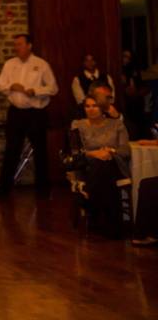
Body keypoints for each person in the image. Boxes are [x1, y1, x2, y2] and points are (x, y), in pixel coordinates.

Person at [0, 33, 58, 196]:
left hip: (35, 113)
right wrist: (11, 86)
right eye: (15, 45)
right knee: (11, 150)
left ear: (29, 46)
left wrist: (36, 91)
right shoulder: (10, 64)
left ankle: (43, 190)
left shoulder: (41, 64)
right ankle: (4, 190)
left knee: (40, 152)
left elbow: (53, 88)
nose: (17, 47)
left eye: (20, 44)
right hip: (16, 113)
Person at [72, 92, 130, 238]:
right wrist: (94, 153)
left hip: (115, 164)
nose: (90, 109)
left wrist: (110, 151)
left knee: (105, 165)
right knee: (100, 166)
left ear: (103, 107)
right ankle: (113, 226)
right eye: (87, 106)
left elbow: (126, 150)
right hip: (88, 166)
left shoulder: (116, 124)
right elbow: (75, 152)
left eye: (95, 106)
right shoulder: (78, 125)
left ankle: (89, 203)